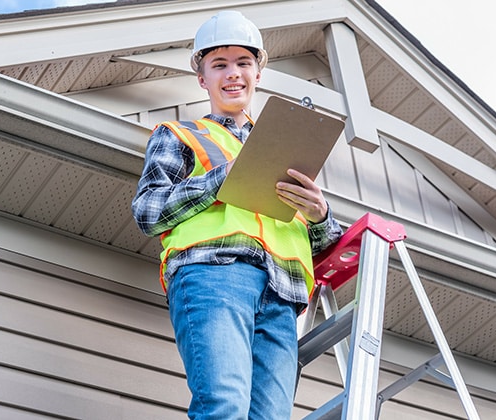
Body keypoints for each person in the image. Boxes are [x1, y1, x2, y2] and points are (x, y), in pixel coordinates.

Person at [131, 10, 342, 419]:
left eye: (243, 63)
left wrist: (320, 214)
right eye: (219, 64)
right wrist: (220, 179)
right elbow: (148, 211)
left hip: (281, 296)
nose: (233, 74)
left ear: (258, 73)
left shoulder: (288, 147)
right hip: (215, 276)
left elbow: (324, 245)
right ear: (202, 77)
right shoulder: (180, 135)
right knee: (224, 407)